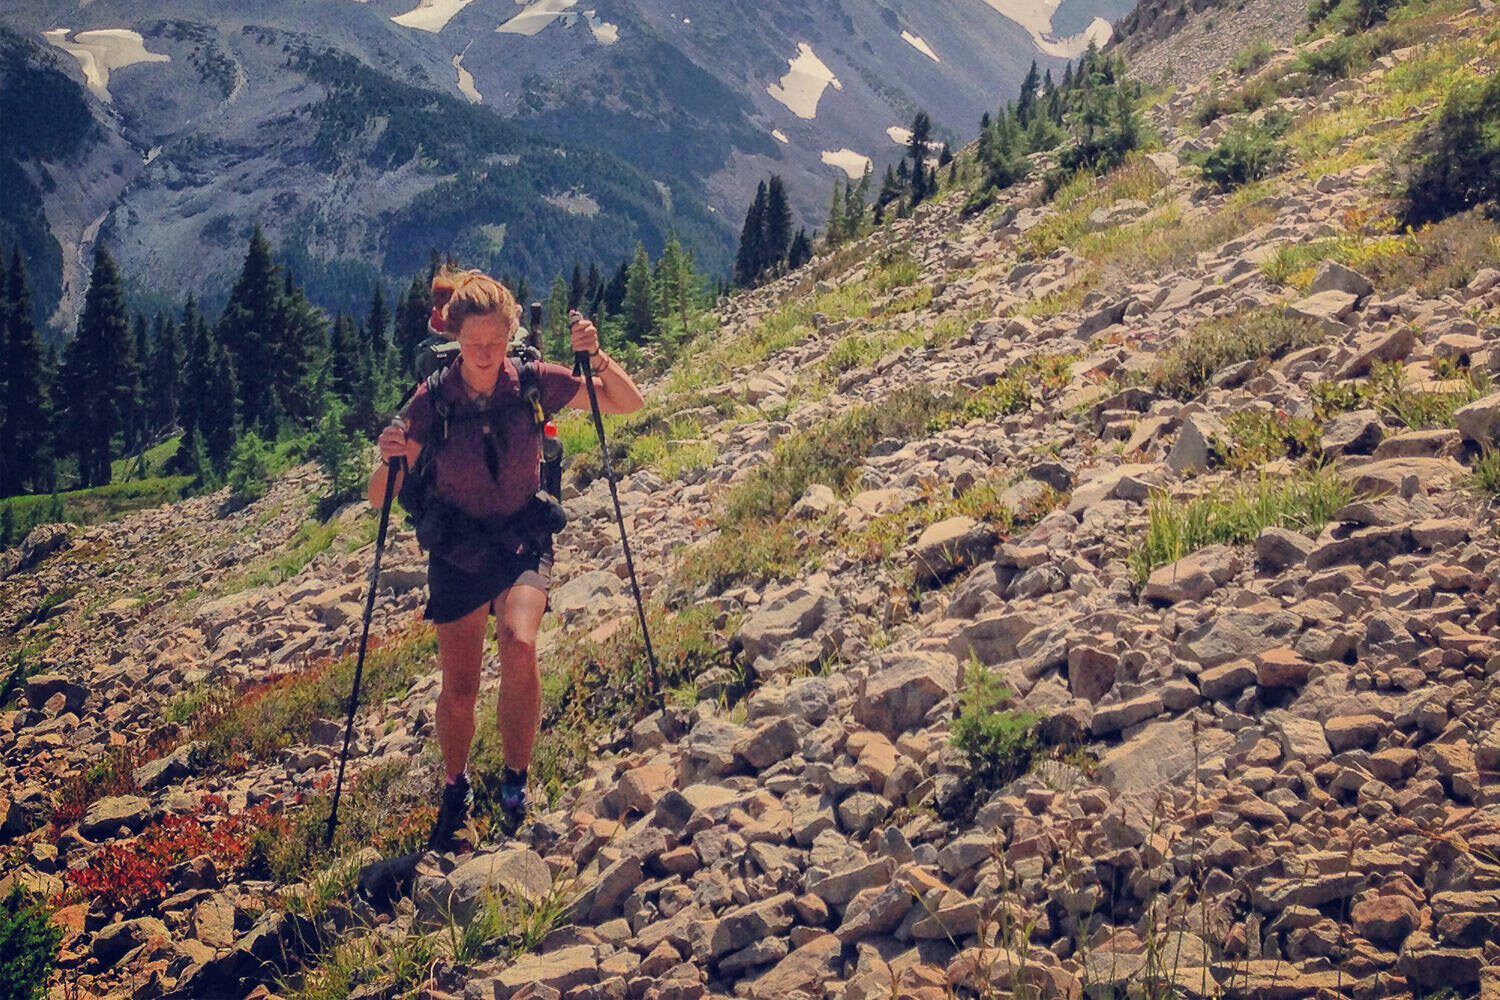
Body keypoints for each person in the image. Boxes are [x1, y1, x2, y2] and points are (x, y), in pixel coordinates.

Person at [368, 270, 644, 849]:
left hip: (522, 535)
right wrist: (389, 457)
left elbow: (627, 402)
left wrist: (597, 357)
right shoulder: (431, 398)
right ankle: (455, 787)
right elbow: (379, 496)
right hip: (456, 547)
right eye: (474, 344)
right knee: (461, 684)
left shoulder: (533, 380)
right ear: (453, 337)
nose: (486, 354)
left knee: (519, 643)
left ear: (511, 331)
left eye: (495, 341)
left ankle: (515, 783)